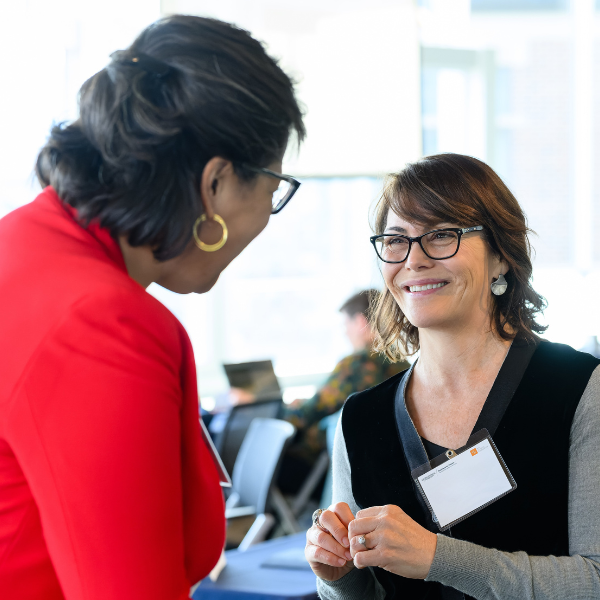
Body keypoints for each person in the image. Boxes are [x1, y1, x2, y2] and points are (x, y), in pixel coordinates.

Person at [0, 15, 304, 600]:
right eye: (272, 190)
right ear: (215, 184)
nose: (267, 215)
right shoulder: (102, 324)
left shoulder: (24, 245)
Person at [305, 153, 600, 600]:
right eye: (395, 240)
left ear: (501, 255)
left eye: (442, 235)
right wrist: (339, 577)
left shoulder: (577, 389)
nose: (414, 260)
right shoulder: (361, 419)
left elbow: (595, 580)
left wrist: (436, 557)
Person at [279, 291, 409, 496]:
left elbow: (308, 413)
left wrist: (277, 410)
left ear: (359, 321)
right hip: (385, 471)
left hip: (333, 472)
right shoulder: (401, 362)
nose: (344, 332)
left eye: (345, 324)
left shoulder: (357, 365)